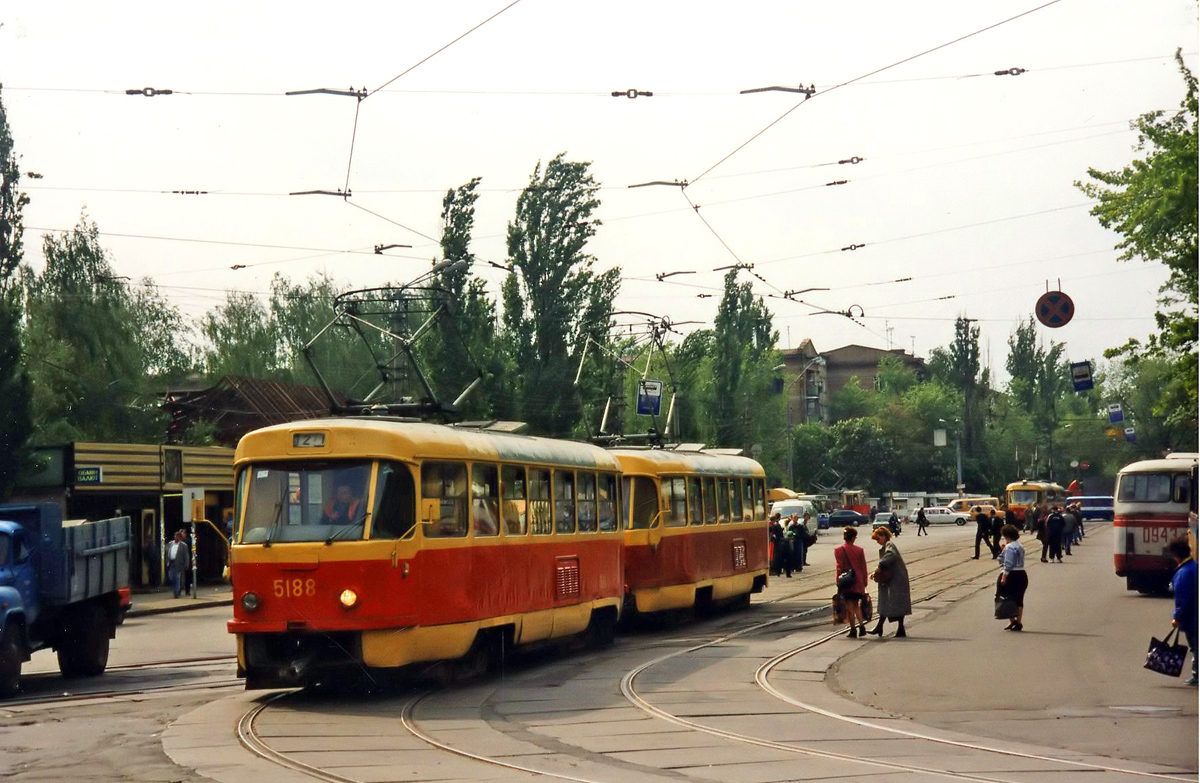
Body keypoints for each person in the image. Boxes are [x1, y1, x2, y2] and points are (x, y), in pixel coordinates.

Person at [866, 526, 911, 638]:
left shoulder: (889, 545)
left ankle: (886, 627)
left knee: (893, 602)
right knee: (890, 602)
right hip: (894, 579)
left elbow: (890, 556)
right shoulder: (887, 546)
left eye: (878, 539)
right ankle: (892, 628)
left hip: (896, 579)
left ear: (883, 536)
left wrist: (880, 566)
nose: (877, 542)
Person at [1168, 539, 1198, 686]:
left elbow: (1183, 600)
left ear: (1175, 555)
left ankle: (1197, 674)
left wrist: (1177, 618)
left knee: (1195, 646)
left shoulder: (1183, 573)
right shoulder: (1195, 567)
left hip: (1193, 618)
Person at [834, 526, 870, 638]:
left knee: (849, 606)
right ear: (853, 538)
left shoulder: (838, 550)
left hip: (847, 581)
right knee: (855, 605)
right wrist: (864, 580)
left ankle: (854, 629)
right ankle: (860, 627)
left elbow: (839, 567)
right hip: (857, 581)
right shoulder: (859, 550)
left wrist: (838, 580)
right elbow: (863, 567)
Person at [997, 524, 1028, 631]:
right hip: (1021, 573)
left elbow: (1008, 563)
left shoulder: (1009, 547)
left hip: (1011, 575)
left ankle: (1012, 620)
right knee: (1019, 598)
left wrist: (1004, 576)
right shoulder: (1020, 546)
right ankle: (1018, 622)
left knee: (1004, 596)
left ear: (1006, 536)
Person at [166, 529, 189, 599]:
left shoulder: (183, 546)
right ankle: (176, 590)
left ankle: (177, 592)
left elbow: (186, 556)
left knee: (177, 578)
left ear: (180, 538)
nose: (176, 538)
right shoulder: (170, 543)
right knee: (171, 577)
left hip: (178, 564)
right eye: (175, 536)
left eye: (178, 537)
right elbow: (167, 552)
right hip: (171, 563)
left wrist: (186, 564)